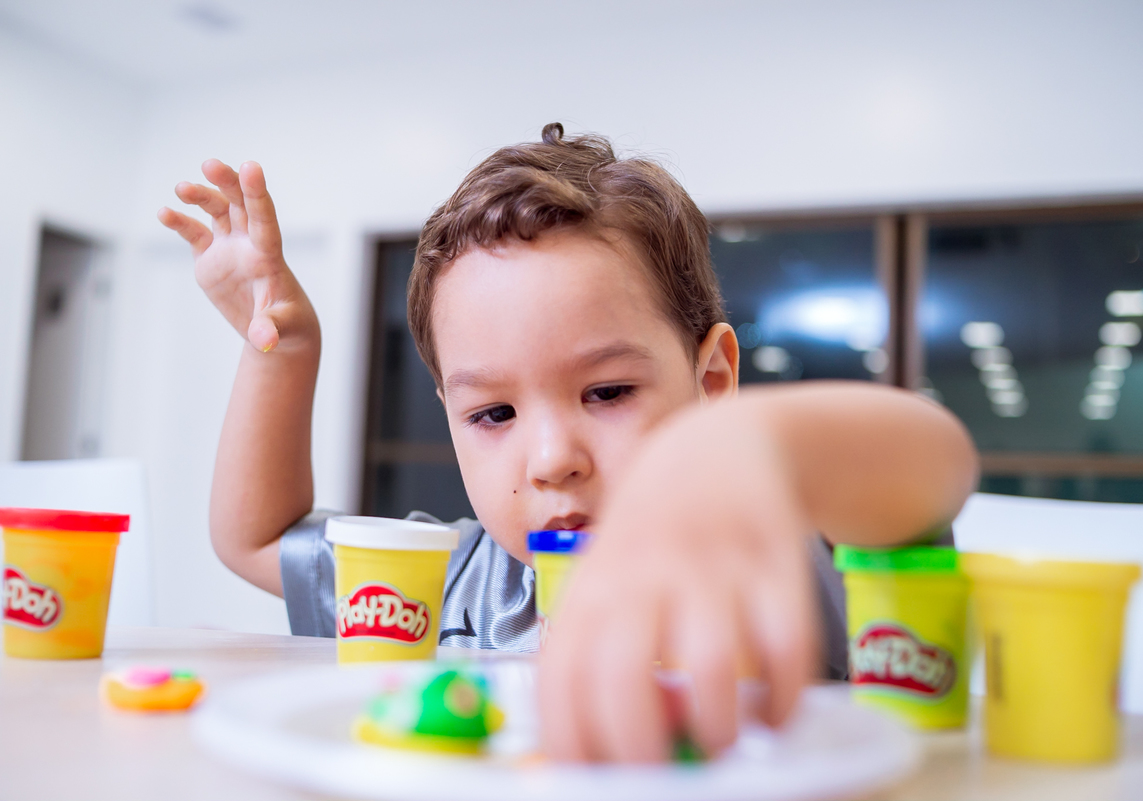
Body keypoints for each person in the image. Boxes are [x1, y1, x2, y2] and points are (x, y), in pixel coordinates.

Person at [158, 123, 979, 763]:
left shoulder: (781, 553)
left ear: (714, 379)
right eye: (494, 414)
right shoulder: (459, 582)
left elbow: (935, 462)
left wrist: (760, 446)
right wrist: (284, 350)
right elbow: (256, 538)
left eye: (608, 392)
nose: (552, 458)